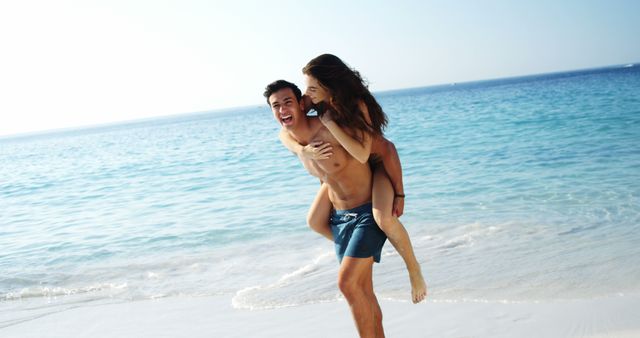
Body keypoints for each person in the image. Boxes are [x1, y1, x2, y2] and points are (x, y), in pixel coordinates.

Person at [280, 54, 426, 304]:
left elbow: (365, 154)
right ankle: (363, 248)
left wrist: (400, 193)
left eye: (312, 87)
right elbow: (283, 132)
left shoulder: (357, 105)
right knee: (315, 221)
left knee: (383, 218)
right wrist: (302, 150)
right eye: (307, 87)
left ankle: (414, 269)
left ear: (329, 86)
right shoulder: (316, 99)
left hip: (379, 165)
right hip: (354, 170)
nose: (307, 93)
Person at [265, 79, 387, 337]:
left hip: (368, 212)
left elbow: (381, 150)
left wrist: (396, 195)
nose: (282, 110)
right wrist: (303, 151)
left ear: (301, 104)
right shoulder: (291, 138)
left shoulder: (330, 129)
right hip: (341, 220)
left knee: (347, 284)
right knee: (361, 291)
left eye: (288, 102)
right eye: (276, 106)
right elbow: (285, 138)